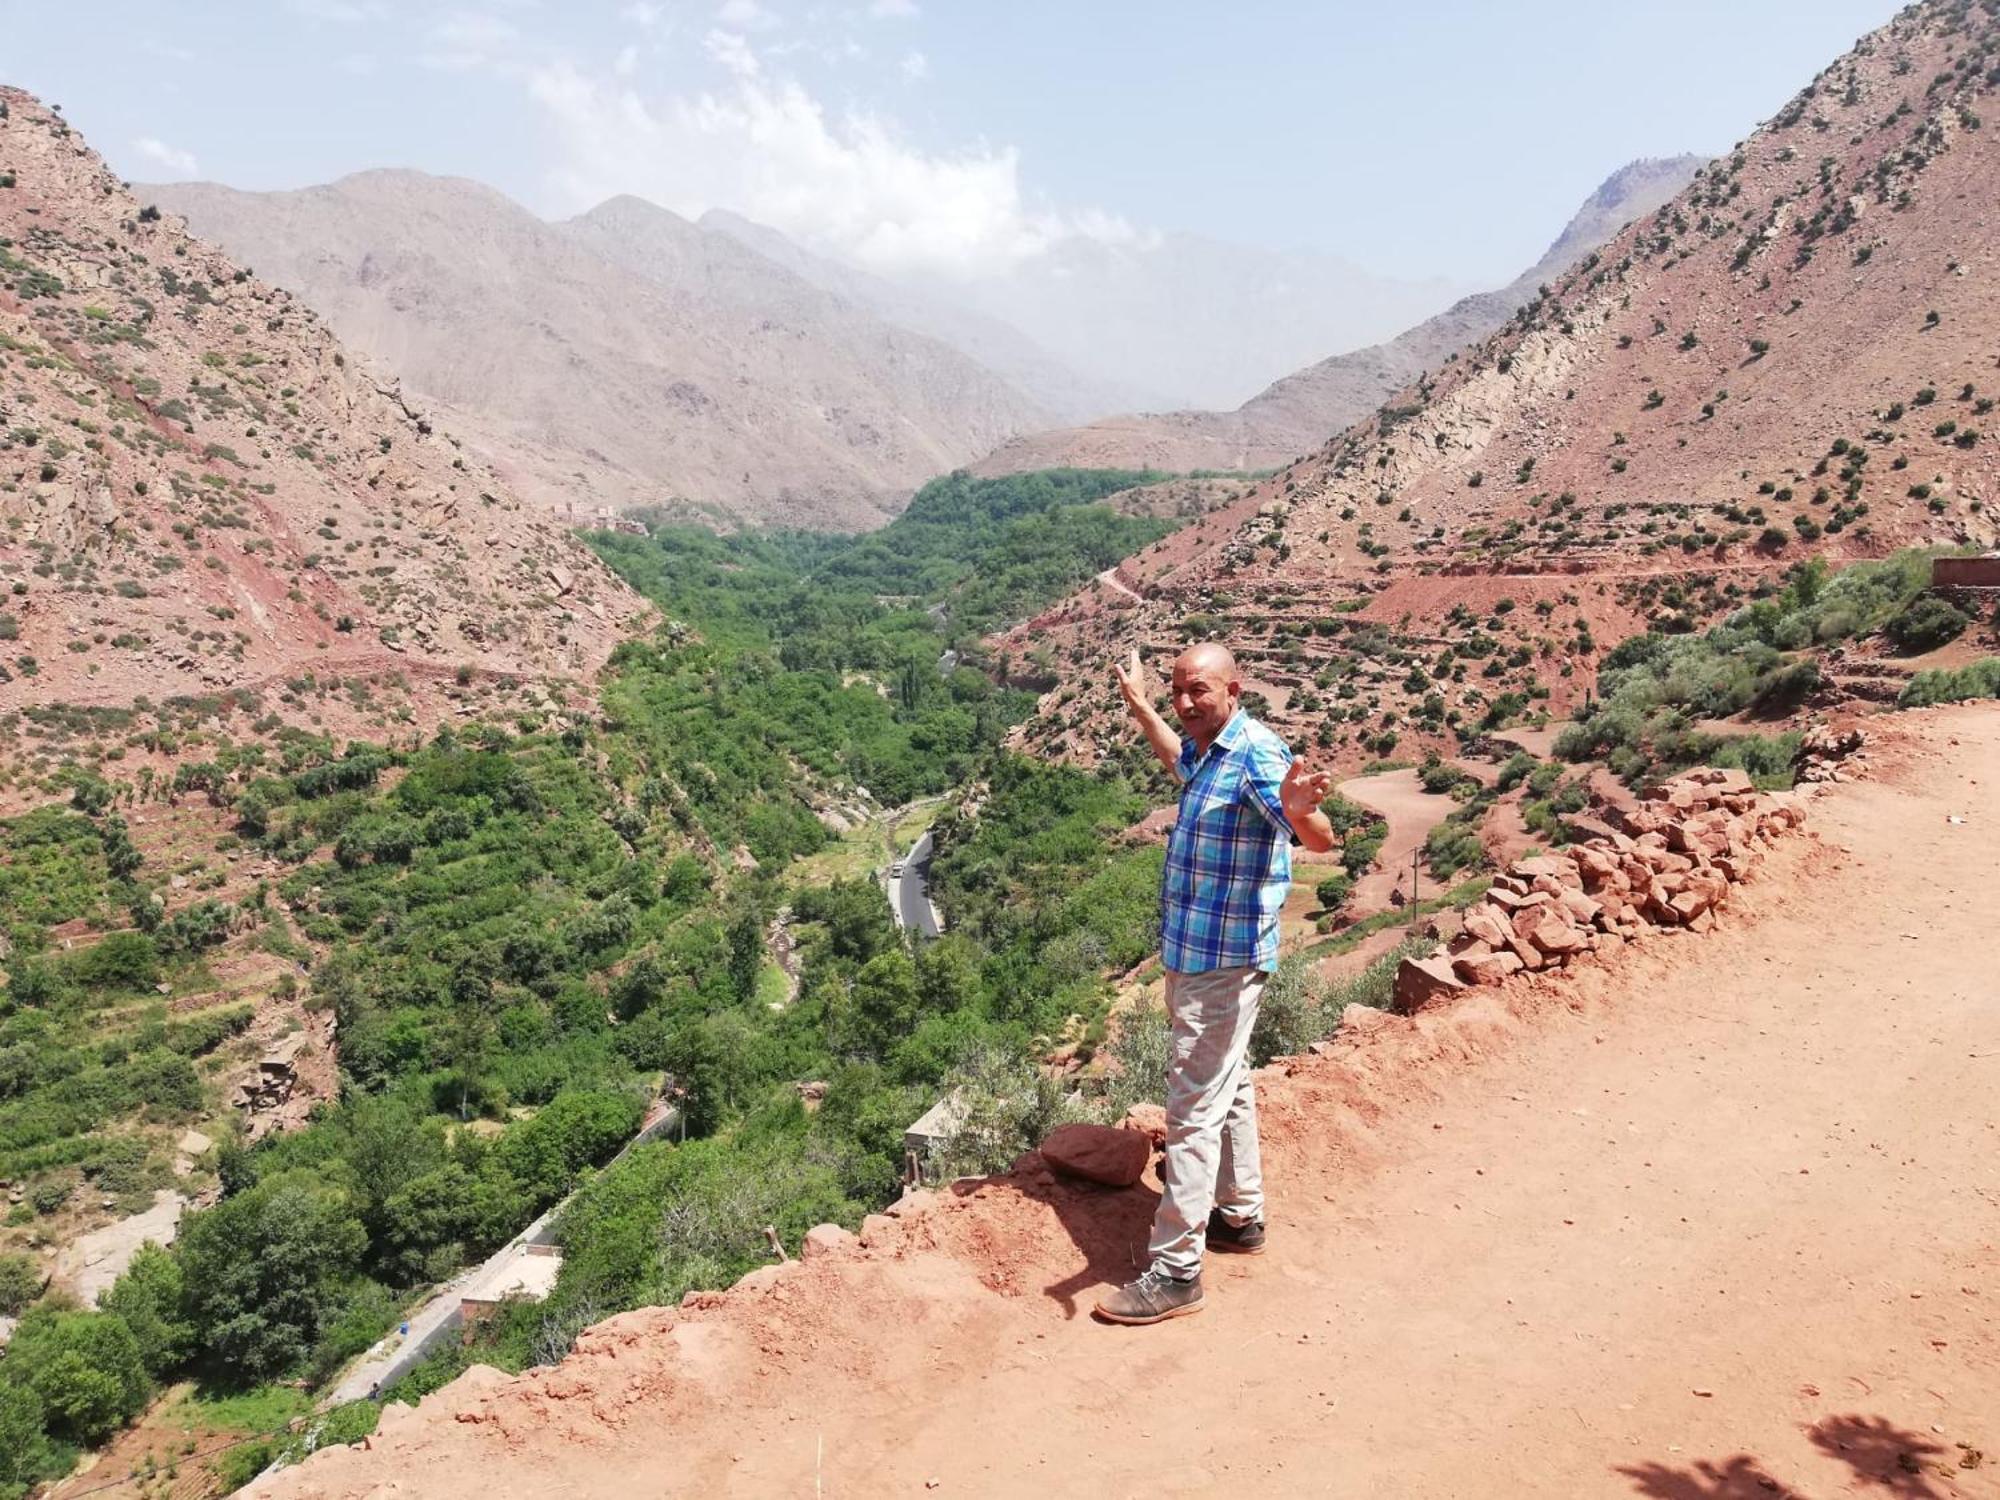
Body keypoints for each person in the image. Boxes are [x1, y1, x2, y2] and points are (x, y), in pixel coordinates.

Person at [1094, 643, 1335, 1325]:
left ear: (1235, 687)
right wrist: (1140, 708)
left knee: (1193, 1106)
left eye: (1198, 690)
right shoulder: (1211, 747)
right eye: (1176, 692)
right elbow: (1180, 761)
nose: (1186, 702)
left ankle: (1176, 1272)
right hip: (1199, 956)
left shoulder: (1258, 752)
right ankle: (1240, 1214)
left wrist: (1297, 811)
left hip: (1223, 963)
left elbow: (1317, 837)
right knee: (1230, 1087)